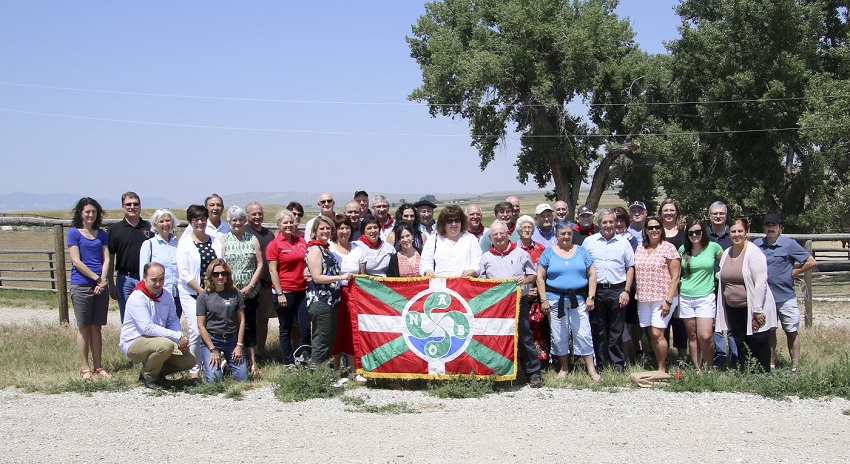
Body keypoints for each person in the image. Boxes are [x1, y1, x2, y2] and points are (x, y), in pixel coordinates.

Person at [479, 220, 541, 387]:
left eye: (502, 233)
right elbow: (481, 282)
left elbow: (532, 275)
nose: (499, 237)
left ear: (508, 234)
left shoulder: (521, 253)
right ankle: (497, 373)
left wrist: (525, 279)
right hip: (496, 305)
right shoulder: (485, 258)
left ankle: (533, 373)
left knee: (525, 337)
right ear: (490, 238)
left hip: (518, 302)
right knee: (496, 339)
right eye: (495, 235)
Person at [536, 220, 601, 381]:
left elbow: (592, 274)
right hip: (555, 300)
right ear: (557, 235)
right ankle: (564, 368)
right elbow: (540, 276)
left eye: (569, 233)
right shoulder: (548, 253)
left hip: (579, 300)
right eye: (562, 234)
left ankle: (591, 370)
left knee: (584, 333)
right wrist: (543, 299)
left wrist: (591, 296)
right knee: (559, 335)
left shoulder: (581, 251)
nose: (566, 237)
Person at [755, 213, 816, 373]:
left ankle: (795, 367)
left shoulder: (789, 244)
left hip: (785, 296)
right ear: (764, 228)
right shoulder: (757, 244)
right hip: (765, 298)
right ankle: (771, 365)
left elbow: (811, 261)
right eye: (767, 225)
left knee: (791, 331)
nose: (770, 228)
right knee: (769, 332)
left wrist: (795, 271)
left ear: (780, 227)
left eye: (774, 225)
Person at [119, 262, 195, 389]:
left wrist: (180, 338)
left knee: (189, 360)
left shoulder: (166, 295)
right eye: (154, 280)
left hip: (159, 341)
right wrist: (175, 337)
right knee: (166, 345)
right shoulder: (137, 296)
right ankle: (148, 377)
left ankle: (157, 373)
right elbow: (146, 328)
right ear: (144, 277)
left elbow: (172, 320)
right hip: (134, 341)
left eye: (161, 279)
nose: (158, 284)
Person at [716, 217, 777, 372]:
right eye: (733, 231)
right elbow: (723, 274)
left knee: (757, 339)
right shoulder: (727, 253)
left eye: (740, 231)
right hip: (733, 307)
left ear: (746, 232)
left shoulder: (754, 253)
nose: (736, 235)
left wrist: (757, 309)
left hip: (752, 306)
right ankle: (745, 371)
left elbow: (760, 282)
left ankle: (762, 372)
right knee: (740, 340)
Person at [581, 209, 635, 373]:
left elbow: (630, 267)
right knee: (598, 328)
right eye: (605, 222)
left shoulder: (623, 242)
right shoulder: (589, 242)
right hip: (596, 291)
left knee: (616, 330)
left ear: (615, 223)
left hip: (618, 289)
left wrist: (626, 290)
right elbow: (583, 266)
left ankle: (617, 363)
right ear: (599, 224)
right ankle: (600, 363)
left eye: (611, 222)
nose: (608, 225)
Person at [67, 197, 112, 380]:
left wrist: (103, 282)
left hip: (100, 286)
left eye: (93, 212)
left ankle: (99, 366)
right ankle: (85, 368)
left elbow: (106, 258)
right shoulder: (74, 233)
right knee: (84, 327)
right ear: (80, 213)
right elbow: (76, 261)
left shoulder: (101, 234)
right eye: (87, 212)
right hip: (82, 284)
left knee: (97, 327)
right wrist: (96, 279)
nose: (91, 215)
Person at [176, 204, 222, 378]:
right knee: (196, 330)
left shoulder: (215, 240)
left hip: (213, 293)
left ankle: (211, 365)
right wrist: (202, 291)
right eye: (195, 219)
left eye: (202, 218)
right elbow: (184, 273)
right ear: (190, 222)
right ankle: (193, 369)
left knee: (212, 329)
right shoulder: (184, 243)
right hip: (192, 293)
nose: (199, 222)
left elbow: (221, 264)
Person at [219, 206, 264, 376]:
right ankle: (233, 360)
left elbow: (259, 264)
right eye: (233, 220)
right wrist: (231, 286)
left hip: (250, 292)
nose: (237, 223)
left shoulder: (252, 239)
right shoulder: (223, 240)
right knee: (231, 325)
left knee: (250, 324)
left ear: (245, 221)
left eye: (240, 219)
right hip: (230, 291)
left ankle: (253, 362)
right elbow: (221, 265)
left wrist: (250, 286)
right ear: (229, 222)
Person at [634, 215, 681, 372]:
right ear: (645, 230)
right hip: (643, 297)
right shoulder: (640, 247)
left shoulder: (668, 248)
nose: (654, 230)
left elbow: (675, 276)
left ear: (662, 230)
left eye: (657, 227)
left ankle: (662, 367)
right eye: (650, 228)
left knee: (657, 332)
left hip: (662, 297)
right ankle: (658, 363)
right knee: (650, 332)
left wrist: (668, 300)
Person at [305, 216, 353, 366]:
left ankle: (325, 376)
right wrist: (341, 277)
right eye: (322, 228)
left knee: (330, 339)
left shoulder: (325, 249)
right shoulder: (315, 250)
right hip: (321, 301)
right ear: (315, 231)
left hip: (331, 301)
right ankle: (316, 378)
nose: (325, 231)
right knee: (321, 339)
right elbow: (317, 277)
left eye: (328, 228)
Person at [678, 219, 723, 372]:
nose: (694, 235)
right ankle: (698, 369)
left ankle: (709, 367)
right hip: (685, 296)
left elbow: (728, 262)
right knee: (692, 335)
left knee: (705, 335)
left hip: (706, 296)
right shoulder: (683, 250)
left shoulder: (713, 247)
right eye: (691, 232)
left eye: (697, 231)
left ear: (703, 232)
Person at [266, 209, 310, 366]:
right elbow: (273, 270)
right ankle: (288, 361)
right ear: (279, 225)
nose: (289, 225)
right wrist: (280, 293)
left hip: (303, 291)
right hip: (285, 291)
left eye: (291, 222)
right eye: (285, 222)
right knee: (286, 328)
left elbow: (306, 262)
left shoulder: (301, 241)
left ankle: (304, 358)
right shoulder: (274, 244)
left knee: (304, 327)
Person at [197, 259, 248, 382]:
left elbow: (242, 321)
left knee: (242, 379)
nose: (220, 277)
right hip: (212, 339)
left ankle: (225, 365)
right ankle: (207, 366)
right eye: (216, 274)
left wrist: (239, 345)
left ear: (227, 275)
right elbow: (201, 326)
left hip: (232, 339)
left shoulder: (235, 293)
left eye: (223, 273)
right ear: (210, 276)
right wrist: (213, 349)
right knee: (214, 381)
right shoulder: (203, 296)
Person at [107, 191, 151, 322]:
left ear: (140, 206)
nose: (132, 207)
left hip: (146, 279)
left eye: (136, 204)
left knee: (147, 316)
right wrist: (111, 284)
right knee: (127, 318)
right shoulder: (115, 230)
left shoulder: (150, 228)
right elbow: (110, 258)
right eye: (128, 204)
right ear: (123, 207)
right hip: (125, 279)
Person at [329, 215, 365, 374]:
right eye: (341, 228)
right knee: (336, 331)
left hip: (354, 295)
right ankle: (336, 369)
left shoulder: (358, 248)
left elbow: (362, 276)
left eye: (347, 228)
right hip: (335, 292)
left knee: (352, 331)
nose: (344, 231)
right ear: (335, 231)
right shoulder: (329, 248)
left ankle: (353, 369)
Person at [706, 201, 738, 368]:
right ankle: (720, 354)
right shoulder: (703, 235)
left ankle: (735, 355)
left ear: (726, 216)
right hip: (710, 285)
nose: (718, 216)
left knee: (732, 320)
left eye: (721, 214)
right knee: (715, 321)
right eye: (715, 214)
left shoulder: (733, 234)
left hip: (732, 284)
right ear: (709, 216)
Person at [244, 202, 277, 358]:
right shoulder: (244, 232)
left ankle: (261, 351)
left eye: (259, 213)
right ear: (247, 216)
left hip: (265, 284)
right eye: (253, 214)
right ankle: (247, 351)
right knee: (247, 320)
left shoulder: (268, 234)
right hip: (248, 285)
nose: (257, 216)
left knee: (263, 319)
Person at [658, 198, 688, 360]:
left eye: (672, 210)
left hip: (682, 282)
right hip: (660, 283)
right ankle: (663, 356)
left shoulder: (684, 232)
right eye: (665, 210)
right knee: (663, 321)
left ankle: (682, 357)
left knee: (680, 322)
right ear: (661, 213)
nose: (669, 213)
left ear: (677, 213)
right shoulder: (656, 230)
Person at [516, 215, 548, 364]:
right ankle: (522, 362)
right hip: (519, 296)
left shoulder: (541, 249)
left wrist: (537, 291)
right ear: (518, 230)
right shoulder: (513, 249)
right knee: (522, 330)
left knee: (539, 328)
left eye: (530, 227)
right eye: (524, 227)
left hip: (538, 294)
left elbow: (545, 273)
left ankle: (541, 361)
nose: (527, 230)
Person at [139, 208, 180, 317]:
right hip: (157, 294)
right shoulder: (149, 244)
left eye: (167, 220)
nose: (165, 224)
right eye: (161, 221)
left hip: (176, 295)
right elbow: (143, 273)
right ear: (155, 225)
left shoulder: (178, 245)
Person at [420, 205, 482, 277]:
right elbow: (425, 263)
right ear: (443, 223)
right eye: (449, 221)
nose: (454, 224)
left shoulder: (471, 238)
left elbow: (478, 261)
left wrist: (472, 270)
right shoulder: (433, 240)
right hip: (440, 285)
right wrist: (428, 270)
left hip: (465, 284)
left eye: (457, 220)